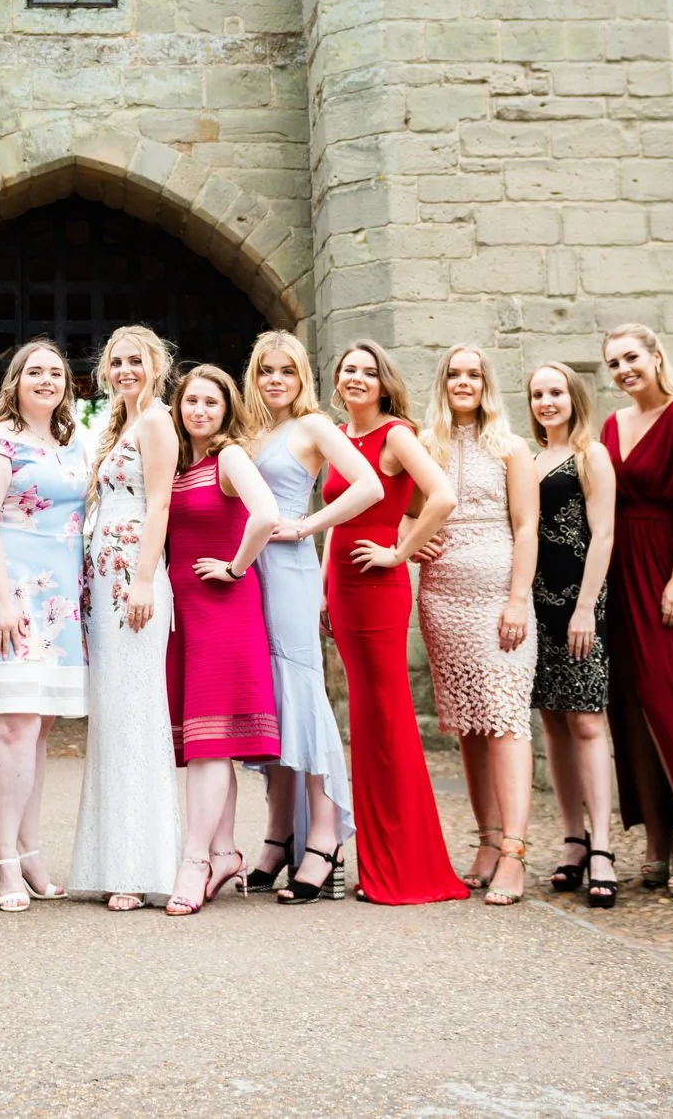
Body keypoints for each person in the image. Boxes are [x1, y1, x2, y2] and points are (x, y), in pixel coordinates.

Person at [238, 330, 381, 906]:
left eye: (287, 371)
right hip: (252, 573)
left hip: (292, 570)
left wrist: (308, 525)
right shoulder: (251, 433)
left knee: (302, 696)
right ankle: (280, 835)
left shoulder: (314, 426)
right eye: (267, 370)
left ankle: (325, 839)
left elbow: (369, 486)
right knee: (272, 703)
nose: (276, 380)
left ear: (302, 378)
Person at [324, 339, 468, 905]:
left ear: (383, 384)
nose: (356, 378)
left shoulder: (394, 434)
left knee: (387, 718)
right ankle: (378, 860)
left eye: (367, 372)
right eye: (347, 370)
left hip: (377, 589)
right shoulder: (344, 438)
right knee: (366, 719)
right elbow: (348, 516)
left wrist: (400, 551)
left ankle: (408, 868)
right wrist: (322, 592)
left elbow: (443, 496)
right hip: (341, 588)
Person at [0, 339, 90, 911]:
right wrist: (4, 599)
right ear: (15, 380)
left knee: (39, 729)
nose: (46, 380)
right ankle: (5, 860)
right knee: (12, 727)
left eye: (55, 372)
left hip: (60, 600)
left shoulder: (71, 443)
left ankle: (32, 850)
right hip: (11, 593)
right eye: (35, 371)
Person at [416, 345, 541, 907]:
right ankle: (488, 841)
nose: (463, 382)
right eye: (454, 374)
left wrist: (518, 599)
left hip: (497, 599)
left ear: (487, 384)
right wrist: (411, 540)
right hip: (441, 597)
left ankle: (515, 852)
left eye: (474, 374)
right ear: (442, 383)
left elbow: (526, 527)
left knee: (507, 717)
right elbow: (397, 507)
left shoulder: (513, 449)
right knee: (467, 722)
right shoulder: (425, 445)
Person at [599, 323, 673, 899]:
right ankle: (656, 838)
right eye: (614, 363)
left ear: (655, 356)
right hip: (615, 573)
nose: (624, 370)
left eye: (631, 358)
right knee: (627, 710)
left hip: (659, 568)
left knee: (664, 704)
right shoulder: (611, 425)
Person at [67, 326, 182, 912]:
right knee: (113, 717)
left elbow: (159, 501)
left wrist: (142, 579)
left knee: (137, 714)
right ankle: (113, 859)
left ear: (156, 365)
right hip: (104, 584)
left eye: (135, 360)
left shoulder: (158, 421)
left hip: (131, 583)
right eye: (116, 362)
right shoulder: (122, 424)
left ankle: (139, 866)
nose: (125, 370)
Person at [162, 365, 281, 916]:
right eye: (192, 401)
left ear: (227, 409)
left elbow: (267, 514)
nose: (200, 411)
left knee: (210, 742)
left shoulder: (227, 459)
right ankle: (225, 850)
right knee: (206, 741)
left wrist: (236, 567)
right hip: (183, 613)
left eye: (211, 402)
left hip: (224, 608)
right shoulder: (176, 463)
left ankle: (195, 861)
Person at [526, 362, 620, 909]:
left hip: (581, 601)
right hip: (534, 602)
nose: (547, 401)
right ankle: (572, 839)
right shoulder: (526, 457)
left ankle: (604, 846)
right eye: (538, 393)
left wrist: (586, 607)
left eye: (556, 391)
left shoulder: (592, 455)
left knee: (586, 719)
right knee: (553, 721)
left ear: (573, 396)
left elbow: (604, 532)